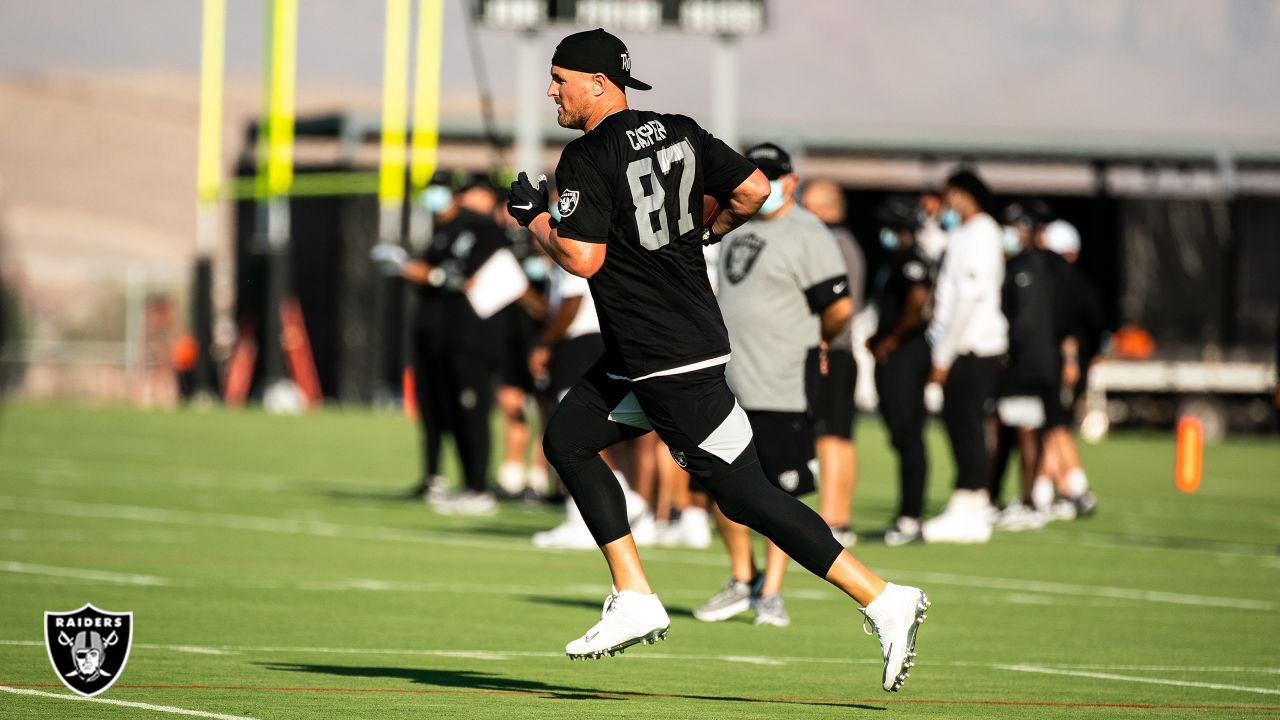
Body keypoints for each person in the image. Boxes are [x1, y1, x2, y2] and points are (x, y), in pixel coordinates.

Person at [504, 28, 928, 692]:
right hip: (664, 347)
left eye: (559, 78)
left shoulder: (586, 154)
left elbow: (583, 257)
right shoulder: (680, 129)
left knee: (746, 494)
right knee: (569, 438)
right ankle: (634, 593)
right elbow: (756, 191)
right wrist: (706, 230)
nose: (550, 90)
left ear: (596, 83)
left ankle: (882, 597)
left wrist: (532, 219)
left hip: (663, 356)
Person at [692, 143, 853, 627]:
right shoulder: (733, 225)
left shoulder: (810, 233)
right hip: (728, 380)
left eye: (774, 174)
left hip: (783, 384)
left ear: (792, 180)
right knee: (721, 485)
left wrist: (819, 342)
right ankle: (742, 578)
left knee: (779, 491)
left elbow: (839, 308)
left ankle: (773, 591)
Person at [402, 171, 510, 515]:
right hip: (447, 336)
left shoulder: (485, 230)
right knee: (451, 412)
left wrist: (433, 275)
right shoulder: (445, 231)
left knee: (473, 412)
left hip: (475, 336)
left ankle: (480, 486)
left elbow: (465, 276)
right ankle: (468, 483)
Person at [922, 169, 1009, 544]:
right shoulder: (963, 233)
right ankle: (967, 501)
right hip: (958, 344)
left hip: (972, 345)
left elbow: (970, 297)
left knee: (967, 423)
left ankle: (972, 501)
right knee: (958, 423)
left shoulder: (983, 232)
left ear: (960, 195)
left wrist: (944, 354)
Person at [799, 178, 865, 546]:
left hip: (832, 350)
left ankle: (833, 516)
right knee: (839, 435)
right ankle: (839, 516)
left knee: (829, 436)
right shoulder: (846, 242)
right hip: (841, 351)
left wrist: (820, 340)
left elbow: (836, 305)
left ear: (826, 209)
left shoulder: (833, 243)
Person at [867, 197, 936, 546]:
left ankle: (911, 517)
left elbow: (918, 300)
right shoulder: (897, 259)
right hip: (897, 355)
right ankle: (906, 514)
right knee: (900, 434)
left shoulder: (911, 259)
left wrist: (892, 339)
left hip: (907, 355)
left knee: (909, 434)